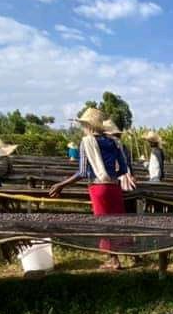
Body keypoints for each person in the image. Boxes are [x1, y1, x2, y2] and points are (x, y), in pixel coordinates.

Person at [49, 107, 131, 268]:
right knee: (116, 222)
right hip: (115, 187)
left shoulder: (86, 142)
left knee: (104, 223)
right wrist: (111, 174)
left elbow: (82, 172)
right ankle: (122, 256)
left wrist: (61, 184)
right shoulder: (113, 142)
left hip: (98, 188)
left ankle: (113, 260)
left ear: (88, 126)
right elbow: (123, 169)